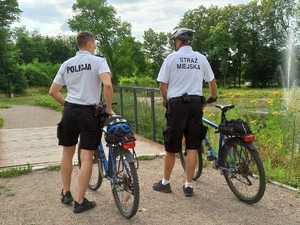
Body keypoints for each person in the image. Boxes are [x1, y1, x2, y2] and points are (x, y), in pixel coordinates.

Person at [49, 31, 114, 213]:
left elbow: (53, 91)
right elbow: (107, 85)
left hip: (70, 112)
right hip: (88, 113)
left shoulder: (67, 64)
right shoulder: (98, 61)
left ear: (79, 45)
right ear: (91, 44)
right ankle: (79, 201)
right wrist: (108, 109)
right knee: (86, 158)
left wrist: (67, 105)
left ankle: (67, 193)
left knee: (67, 153)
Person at [153, 28, 218, 197]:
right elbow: (212, 81)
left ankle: (165, 183)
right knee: (192, 146)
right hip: (196, 104)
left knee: (171, 146)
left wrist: (168, 103)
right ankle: (188, 185)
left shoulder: (171, 58)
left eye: (175, 41)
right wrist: (212, 98)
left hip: (177, 104)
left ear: (179, 41)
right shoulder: (201, 58)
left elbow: (162, 85)